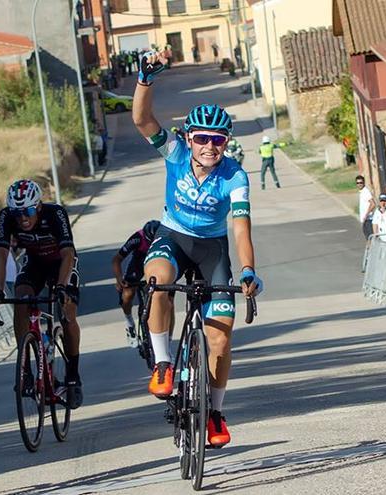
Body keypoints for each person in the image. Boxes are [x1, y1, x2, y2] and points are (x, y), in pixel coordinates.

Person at [132, 50, 262, 447]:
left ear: (226, 143)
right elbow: (142, 119)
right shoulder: (174, 153)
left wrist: (246, 271)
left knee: (221, 338)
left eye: (217, 140)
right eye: (202, 138)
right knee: (157, 281)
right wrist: (144, 80)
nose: (209, 146)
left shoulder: (235, 177)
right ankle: (163, 363)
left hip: (212, 250)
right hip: (173, 237)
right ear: (189, 138)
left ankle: (216, 413)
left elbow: (240, 227)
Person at [0, 179, 84, 409]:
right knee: (21, 299)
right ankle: (25, 371)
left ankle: (72, 375)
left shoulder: (55, 214)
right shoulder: (5, 217)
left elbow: (68, 253)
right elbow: (1, 254)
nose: (23, 218)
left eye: (28, 211)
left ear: (38, 207)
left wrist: (60, 287)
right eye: (17, 213)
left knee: (67, 313)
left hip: (61, 264)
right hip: (35, 263)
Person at [111, 220, 160, 347]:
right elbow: (117, 259)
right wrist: (119, 279)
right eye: (149, 242)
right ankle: (129, 322)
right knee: (127, 294)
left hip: (157, 260)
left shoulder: (164, 236)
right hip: (139, 262)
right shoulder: (137, 238)